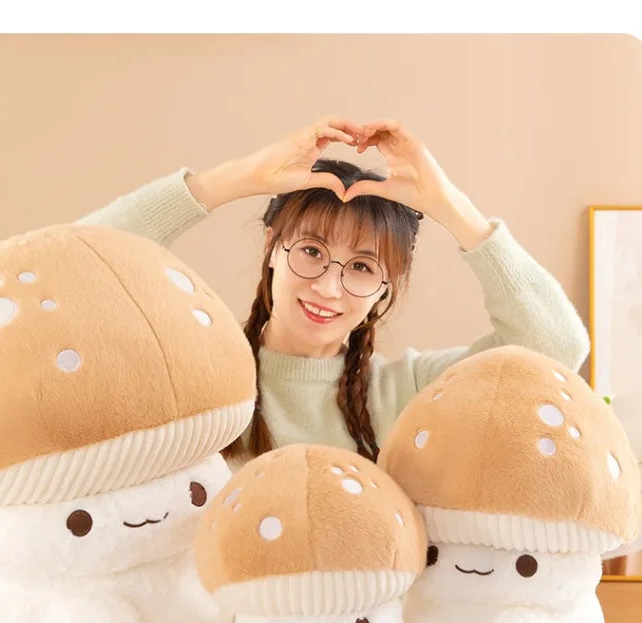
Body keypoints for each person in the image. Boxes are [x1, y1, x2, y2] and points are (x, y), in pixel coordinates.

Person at [79, 117, 590, 466]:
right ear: (271, 247)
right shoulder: (197, 371)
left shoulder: (406, 393)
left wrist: (448, 203)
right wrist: (240, 178)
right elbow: (77, 263)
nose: (328, 287)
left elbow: (555, 347)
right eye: (311, 252)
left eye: (363, 267)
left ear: (386, 286)